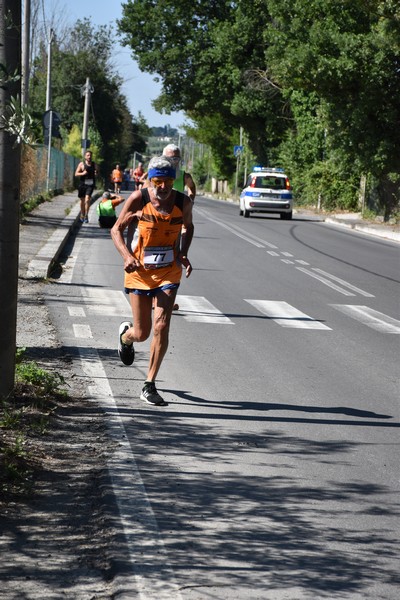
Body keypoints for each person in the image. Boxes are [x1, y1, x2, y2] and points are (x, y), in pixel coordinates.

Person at [111, 156, 194, 406]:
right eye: (158, 181)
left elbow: (188, 228)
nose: (163, 187)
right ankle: (126, 336)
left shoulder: (183, 202)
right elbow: (116, 229)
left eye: (168, 181)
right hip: (139, 270)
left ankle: (149, 384)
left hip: (169, 271)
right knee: (142, 332)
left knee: (161, 325)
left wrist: (183, 253)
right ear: (149, 179)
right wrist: (126, 256)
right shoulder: (139, 198)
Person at [75, 150, 98, 223]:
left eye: (90, 155)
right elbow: (76, 174)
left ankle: (86, 215)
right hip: (82, 184)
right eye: (88, 155)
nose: (89, 156)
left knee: (87, 199)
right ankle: (82, 213)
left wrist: (96, 173)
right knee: (82, 200)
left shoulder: (94, 165)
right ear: (85, 156)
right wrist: (83, 173)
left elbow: (97, 171)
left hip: (90, 184)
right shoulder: (81, 164)